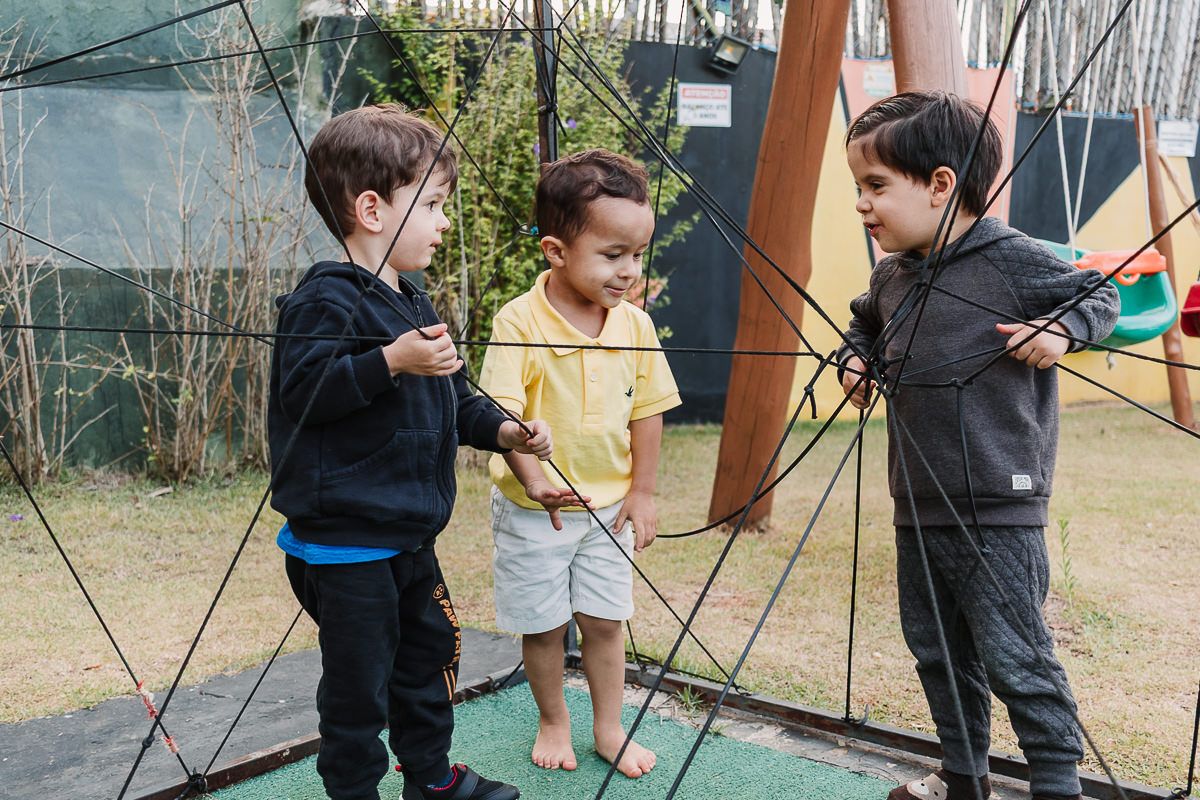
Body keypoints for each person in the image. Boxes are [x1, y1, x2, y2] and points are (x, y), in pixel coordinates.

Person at [837, 91, 1119, 800]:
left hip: (999, 502)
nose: (863, 205)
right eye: (857, 189)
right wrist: (855, 356)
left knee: (1015, 658)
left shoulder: (1010, 259)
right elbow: (864, 323)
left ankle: (1057, 784)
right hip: (918, 499)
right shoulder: (891, 274)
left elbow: (1098, 294)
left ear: (939, 184)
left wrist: (1059, 331)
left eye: (876, 187)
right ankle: (964, 776)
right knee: (937, 651)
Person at [269, 104, 552, 800]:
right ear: (371, 209)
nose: (443, 221)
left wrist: (507, 432)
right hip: (346, 549)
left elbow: (457, 398)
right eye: (430, 205)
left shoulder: (412, 299)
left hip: (407, 537)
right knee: (358, 694)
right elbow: (303, 397)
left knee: (428, 662)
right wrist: (390, 361)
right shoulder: (324, 301)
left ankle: (431, 781)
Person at [479, 149, 681, 779]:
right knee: (543, 628)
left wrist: (642, 494)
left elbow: (648, 411)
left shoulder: (635, 326)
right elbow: (502, 418)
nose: (628, 271)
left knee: (605, 621)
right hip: (538, 511)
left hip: (609, 508)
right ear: (556, 251)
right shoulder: (519, 320)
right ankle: (552, 720)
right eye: (612, 254)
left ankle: (609, 728)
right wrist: (536, 483)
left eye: (638, 254)